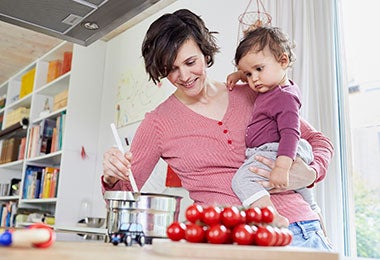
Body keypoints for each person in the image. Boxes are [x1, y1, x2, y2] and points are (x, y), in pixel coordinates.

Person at [101, 9, 334, 250]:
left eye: (191, 62)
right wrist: (111, 176)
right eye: (171, 69)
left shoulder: (254, 92)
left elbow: (317, 140)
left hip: (298, 230)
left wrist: (312, 172)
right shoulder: (158, 123)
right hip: (227, 242)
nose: (184, 76)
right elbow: (125, 195)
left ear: (205, 51)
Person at [226, 26, 322, 228]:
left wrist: (281, 166)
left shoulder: (284, 98)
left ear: (283, 61)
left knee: (242, 181)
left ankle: (272, 218)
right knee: (302, 189)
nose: (254, 79)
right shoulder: (276, 87)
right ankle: (315, 213)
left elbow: (290, 133)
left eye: (258, 70)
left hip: (276, 151)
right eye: (248, 74)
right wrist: (240, 76)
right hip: (278, 150)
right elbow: (257, 71)